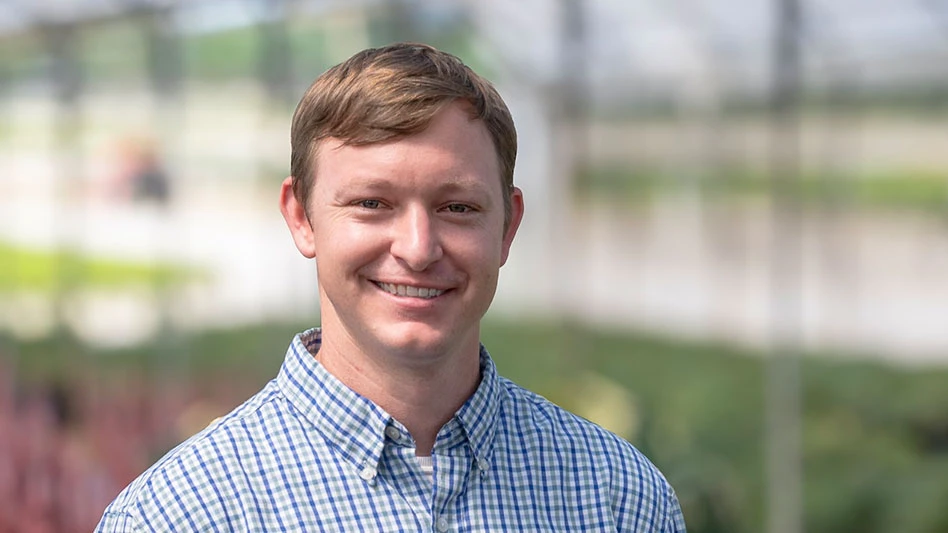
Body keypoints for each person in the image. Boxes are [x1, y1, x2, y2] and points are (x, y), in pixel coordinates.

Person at [96, 42, 686, 532]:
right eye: (372, 204)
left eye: (456, 207)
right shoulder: (183, 514)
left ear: (508, 226)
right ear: (301, 217)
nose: (418, 247)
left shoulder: (618, 499)